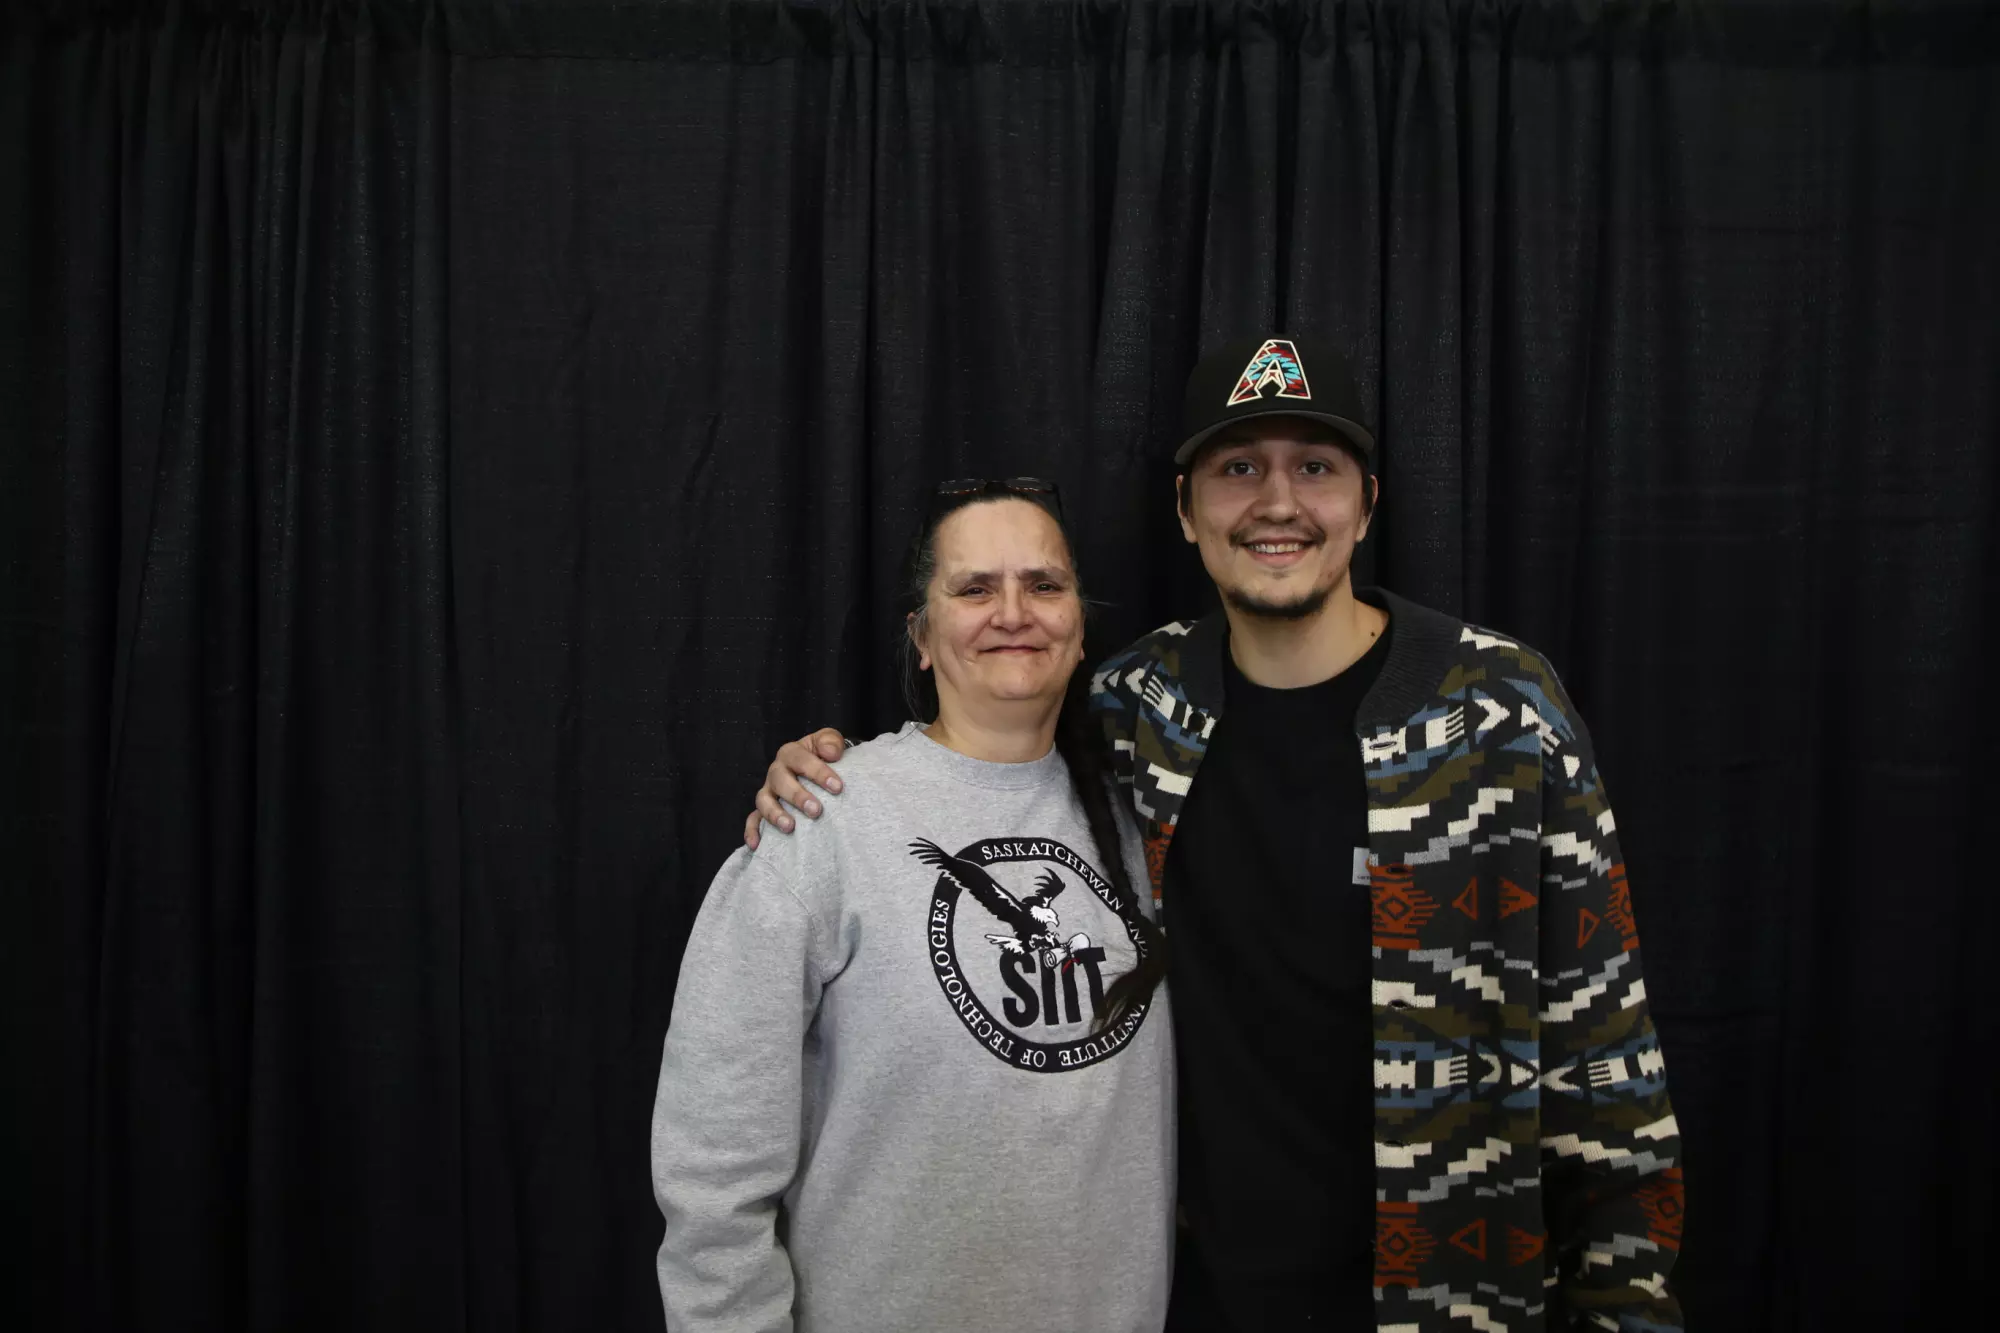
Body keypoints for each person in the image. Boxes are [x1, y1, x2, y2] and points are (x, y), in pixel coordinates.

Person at [743, 338, 1685, 1331]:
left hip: (1451, 1298)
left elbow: (1605, 1060)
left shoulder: (1500, 711)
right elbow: (973, 766)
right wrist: (825, 774)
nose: (1277, 503)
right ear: (1187, 511)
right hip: (1190, 1298)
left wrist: (1624, 1306)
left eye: (1313, 467)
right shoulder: (1130, 712)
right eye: (1238, 468)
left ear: (1366, 504)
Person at [651, 480, 1175, 1333]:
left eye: (1044, 584)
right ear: (922, 637)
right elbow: (713, 1165)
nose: (1014, 612)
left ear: (1081, 628)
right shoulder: (824, 818)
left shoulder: (1144, 816)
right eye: (974, 588)